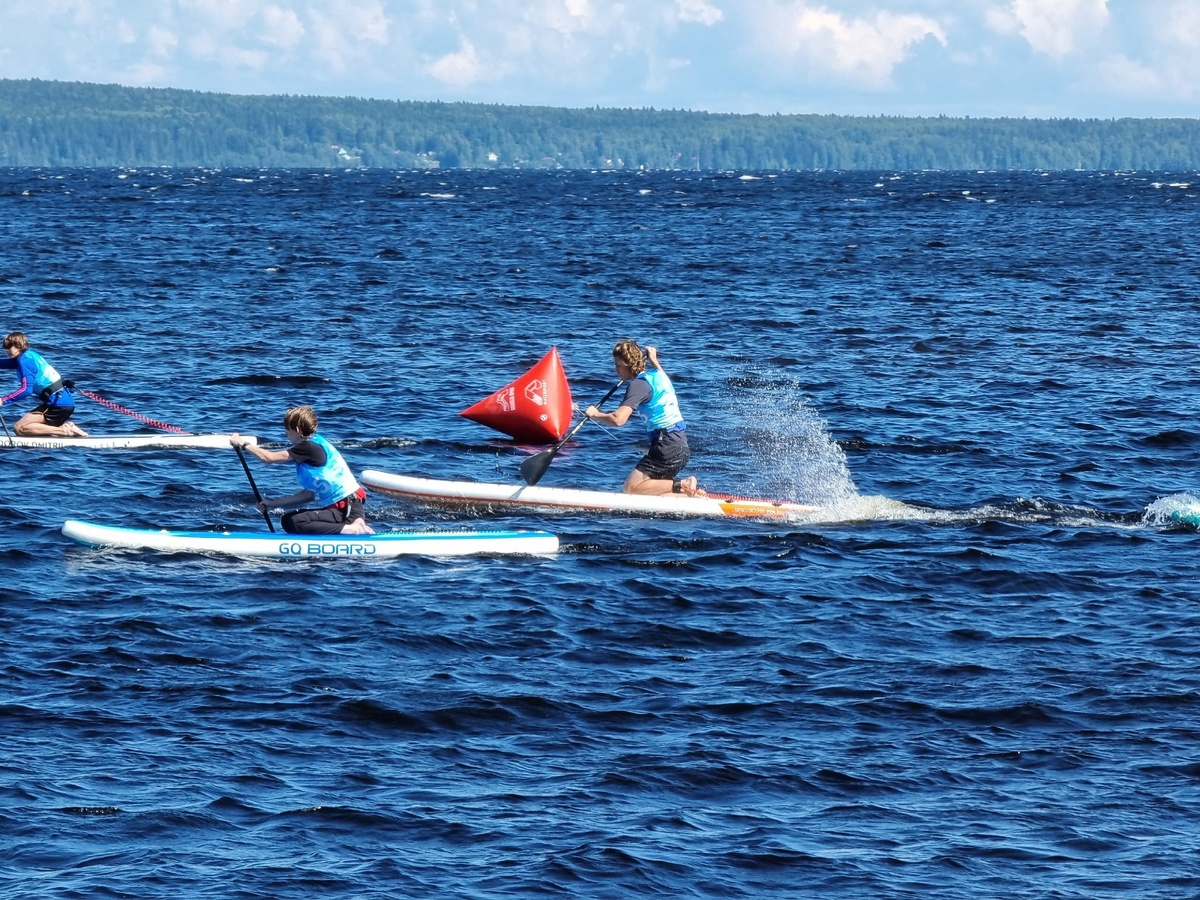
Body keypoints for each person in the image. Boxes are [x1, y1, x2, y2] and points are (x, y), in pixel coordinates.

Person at [230, 405, 373, 535]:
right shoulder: (310, 450)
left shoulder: (308, 447)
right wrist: (271, 504)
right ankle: (350, 527)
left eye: (287, 430)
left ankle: (353, 528)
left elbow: (268, 458)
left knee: (295, 522)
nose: (286, 434)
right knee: (287, 519)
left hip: (347, 508)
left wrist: (242, 443)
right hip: (342, 509)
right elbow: (308, 495)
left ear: (297, 430)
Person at [585, 340, 703, 496]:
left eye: (618, 365)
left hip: (666, 446)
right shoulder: (659, 375)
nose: (616, 370)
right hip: (680, 446)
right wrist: (654, 361)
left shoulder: (638, 385)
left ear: (628, 364)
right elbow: (661, 374)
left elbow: (618, 419)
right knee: (652, 492)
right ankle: (691, 495)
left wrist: (595, 414)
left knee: (631, 488)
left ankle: (684, 484)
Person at [0, 331, 88, 437]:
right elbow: (5, 363)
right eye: (5, 346)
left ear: (19, 345)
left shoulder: (25, 361)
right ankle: (64, 429)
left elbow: (26, 390)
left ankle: (65, 431)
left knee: (19, 428)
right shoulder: (28, 356)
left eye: (9, 346)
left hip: (58, 404)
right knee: (30, 429)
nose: (7, 350)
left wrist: (3, 400)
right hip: (61, 403)